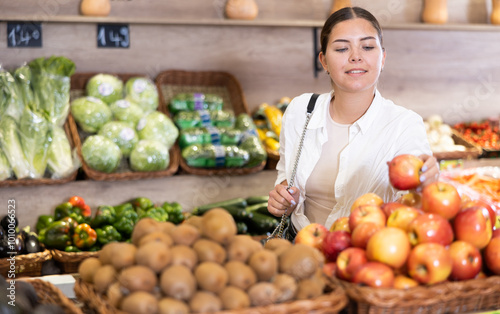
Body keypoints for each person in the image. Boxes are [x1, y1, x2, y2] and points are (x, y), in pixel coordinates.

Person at [267, 7, 439, 238]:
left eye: (367, 47)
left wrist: (427, 182)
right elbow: (285, 176)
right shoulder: (300, 111)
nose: (355, 56)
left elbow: (416, 205)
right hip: (299, 248)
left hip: (368, 258)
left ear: (383, 58)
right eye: (341, 48)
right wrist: (284, 199)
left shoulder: (404, 125)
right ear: (324, 61)